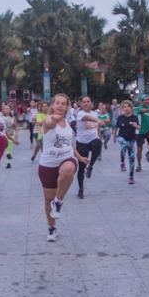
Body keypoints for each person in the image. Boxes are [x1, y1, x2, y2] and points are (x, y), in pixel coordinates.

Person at [38, 94, 88, 241]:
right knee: (48, 199)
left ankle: (58, 202)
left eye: (63, 103)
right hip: (48, 164)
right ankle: (52, 227)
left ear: (67, 106)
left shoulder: (68, 123)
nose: (60, 106)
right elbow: (49, 122)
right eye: (57, 103)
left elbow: (69, 144)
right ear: (53, 105)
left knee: (68, 170)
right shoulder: (47, 121)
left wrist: (78, 157)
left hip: (66, 158)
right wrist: (53, 119)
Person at [74, 96, 103, 199]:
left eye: (88, 102)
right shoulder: (80, 113)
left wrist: (99, 134)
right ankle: (81, 188)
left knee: (99, 142)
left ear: (92, 103)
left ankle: (91, 166)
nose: (86, 103)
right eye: (84, 102)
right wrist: (97, 120)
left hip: (93, 140)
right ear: (81, 104)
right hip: (82, 143)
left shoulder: (95, 113)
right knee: (81, 168)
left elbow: (97, 126)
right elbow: (87, 118)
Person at [112, 101, 139, 184]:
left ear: (131, 108)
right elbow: (116, 127)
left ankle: (131, 176)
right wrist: (114, 136)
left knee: (132, 158)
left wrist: (136, 126)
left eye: (128, 106)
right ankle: (122, 162)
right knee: (124, 144)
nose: (126, 108)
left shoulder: (134, 117)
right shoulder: (121, 117)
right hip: (121, 137)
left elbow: (139, 127)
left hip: (131, 139)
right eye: (124, 107)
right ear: (123, 108)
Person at [133, 94, 149, 171]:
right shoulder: (139, 108)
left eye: (148, 100)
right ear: (142, 101)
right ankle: (139, 164)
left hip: (148, 129)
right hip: (140, 130)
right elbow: (142, 111)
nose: (147, 101)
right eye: (145, 100)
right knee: (139, 149)